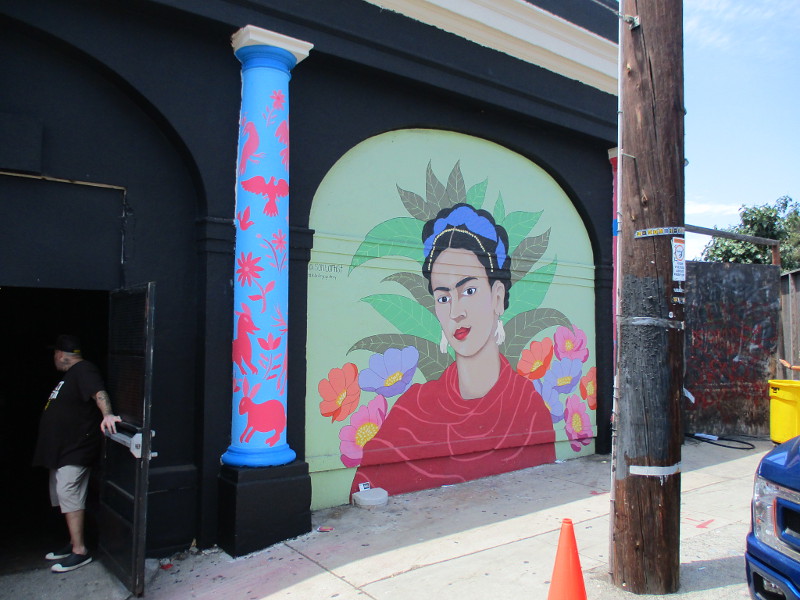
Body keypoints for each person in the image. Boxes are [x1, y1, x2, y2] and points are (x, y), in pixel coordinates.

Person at [352, 204, 555, 496]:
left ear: (497, 297)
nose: (456, 311)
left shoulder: (527, 407)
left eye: (468, 291)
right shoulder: (414, 409)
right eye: (443, 297)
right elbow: (366, 485)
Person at [32, 335, 121, 573]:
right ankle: (73, 543)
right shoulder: (71, 375)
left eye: (54, 354)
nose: (54, 359)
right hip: (61, 451)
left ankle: (80, 551)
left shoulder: (84, 369)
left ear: (60, 354)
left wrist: (107, 414)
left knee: (68, 492)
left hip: (76, 448)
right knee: (62, 496)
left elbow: (98, 392)